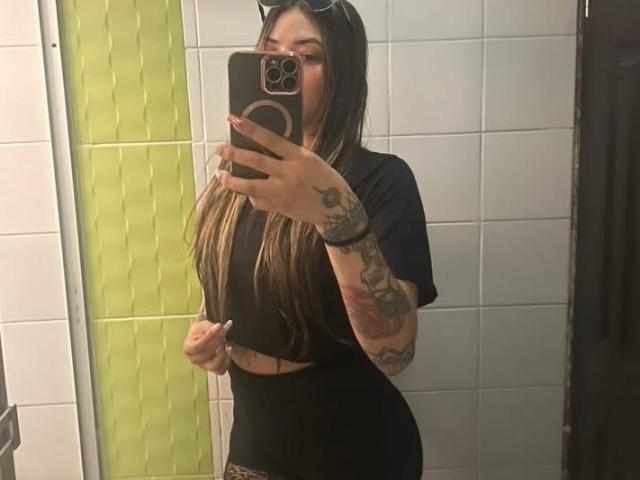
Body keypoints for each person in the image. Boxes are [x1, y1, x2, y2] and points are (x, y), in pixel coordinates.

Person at [183, 1, 438, 478]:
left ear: (342, 74)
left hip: (355, 450)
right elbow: (247, 284)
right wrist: (208, 335)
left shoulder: (381, 181)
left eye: (307, 56)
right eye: (271, 52)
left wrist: (334, 215)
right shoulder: (237, 179)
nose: (283, 68)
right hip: (257, 444)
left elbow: (395, 351)